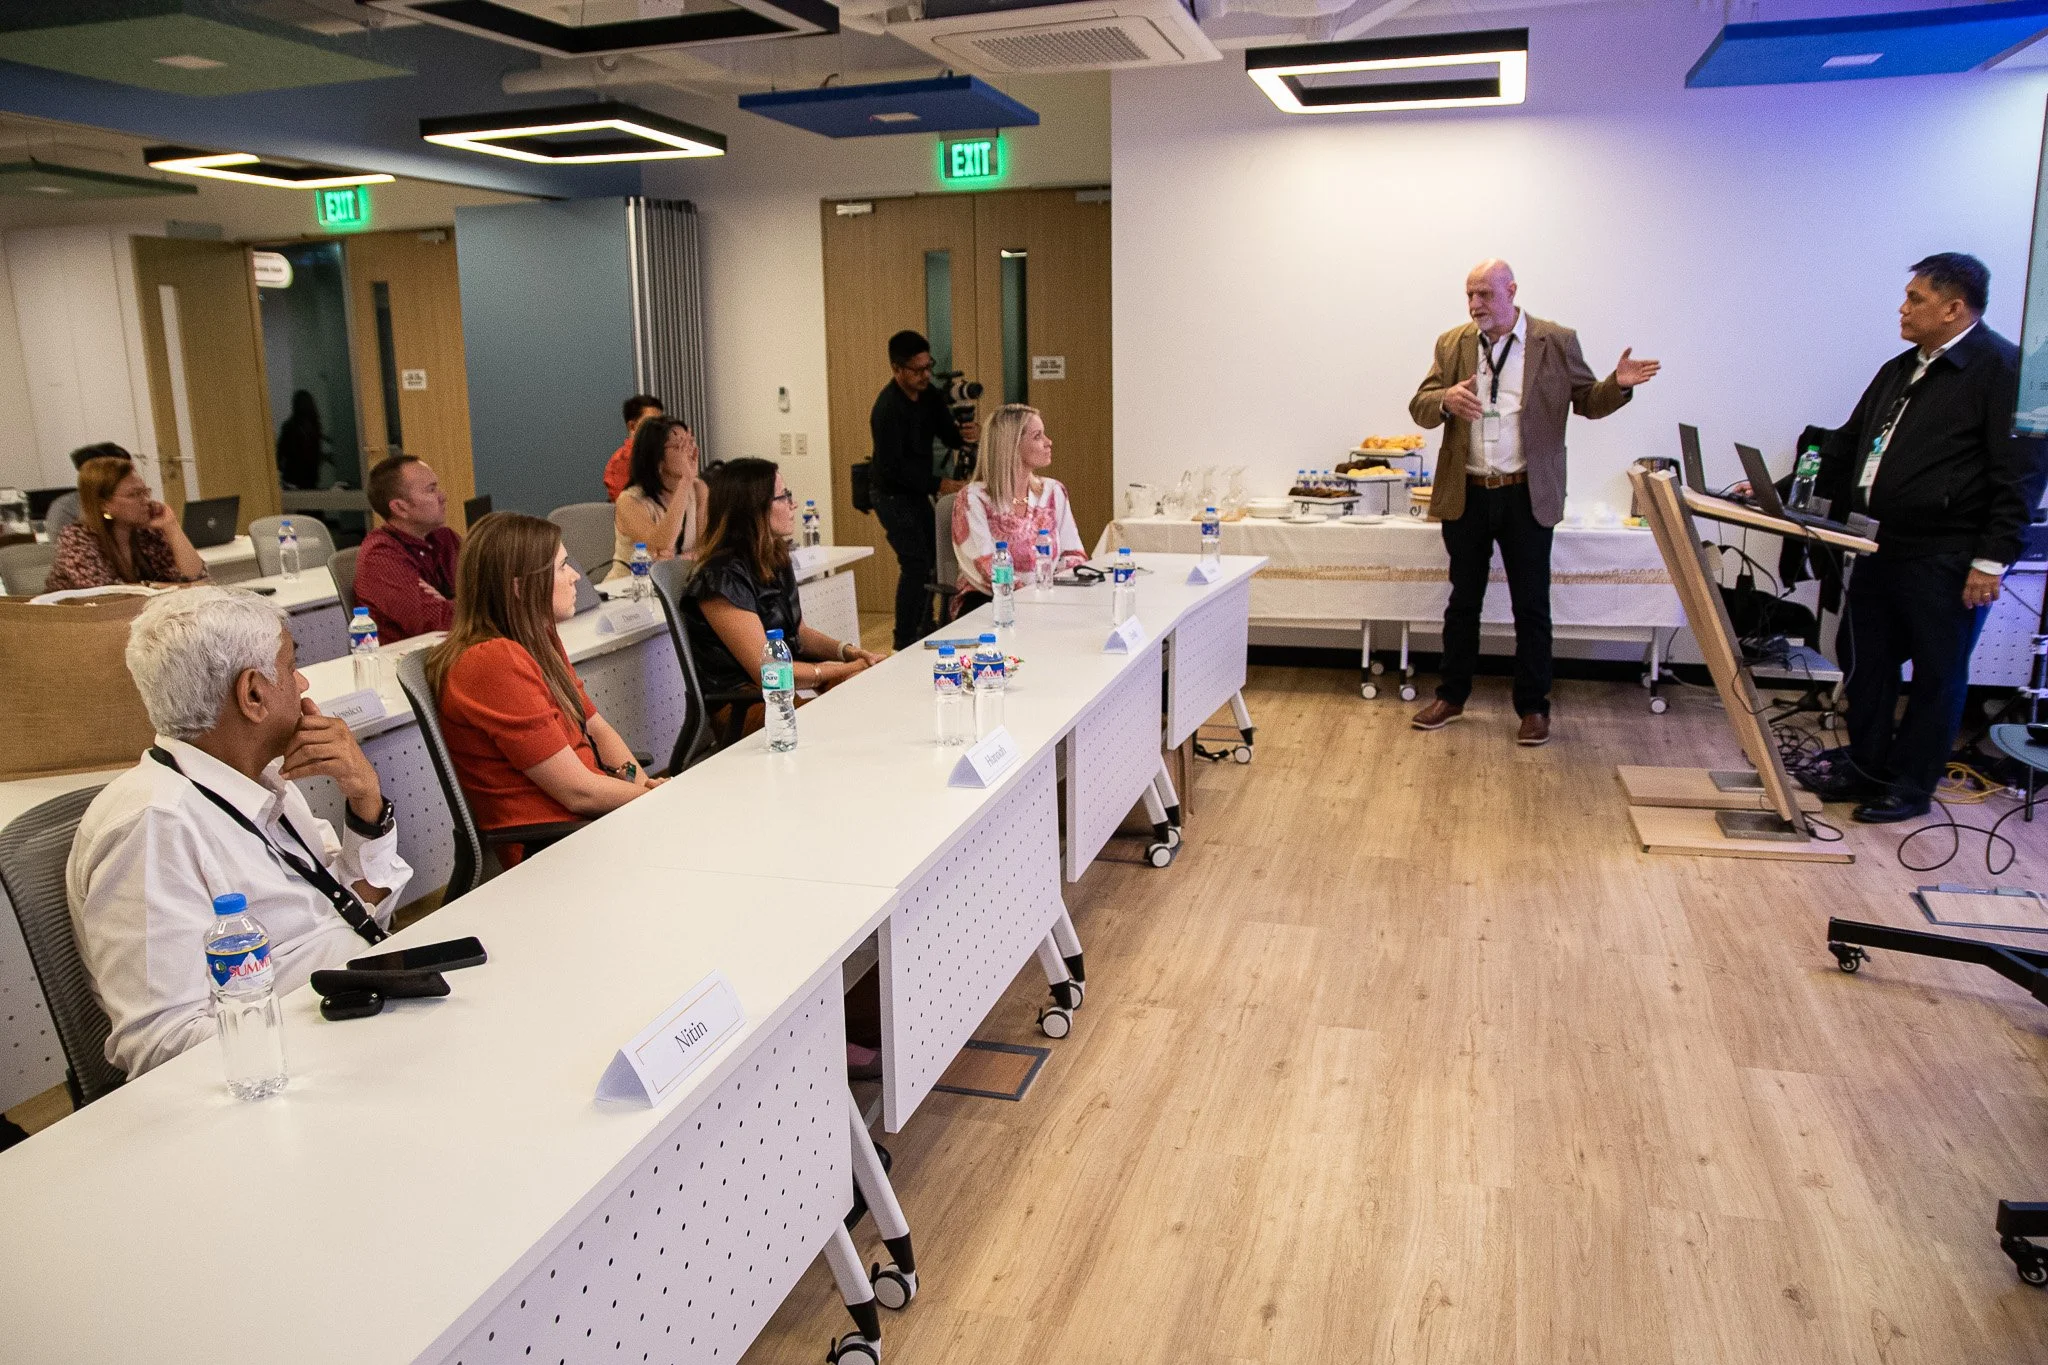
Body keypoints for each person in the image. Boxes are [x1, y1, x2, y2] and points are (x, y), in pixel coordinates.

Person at [67, 587, 410, 1078]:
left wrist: (366, 800)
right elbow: (161, 1045)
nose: (304, 682)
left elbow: (358, 905)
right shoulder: (154, 826)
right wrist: (329, 1035)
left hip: (358, 1013)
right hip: (308, 1063)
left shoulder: (265, 778)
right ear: (252, 694)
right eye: (291, 667)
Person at [1804, 254, 2048, 822]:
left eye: (1915, 298)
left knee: (1938, 674)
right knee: (1865, 661)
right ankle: (1866, 766)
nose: (1903, 307)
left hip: (1949, 553)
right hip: (1877, 545)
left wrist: (1992, 560)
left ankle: (1909, 787)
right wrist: (1775, 486)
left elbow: (2023, 474)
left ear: (1953, 307)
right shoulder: (1902, 367)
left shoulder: (2005, 371)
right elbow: (1846, 446)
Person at [1407, 259, 1661, 746]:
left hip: (1528, 494)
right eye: (1469, 295)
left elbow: (1587, 401)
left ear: (1511, 291)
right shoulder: (1452, 343)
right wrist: (1444, 401)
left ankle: (1533, 707)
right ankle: (1452, 696)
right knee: (1463, 603)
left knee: (1532, 606)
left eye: (1484, 294)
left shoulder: (1556, 340)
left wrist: (1620, 384)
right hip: (1468, 493)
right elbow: (1420, 404)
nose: (1475, 304)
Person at [428, 514, 661, 866]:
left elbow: (595, 726)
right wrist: (653, 800)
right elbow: (577, 792)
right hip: (552, 847)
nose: (576, 577)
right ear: (520, 587)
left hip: (588, 824)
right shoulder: (491, 662)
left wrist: (643, 786)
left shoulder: (536, 637)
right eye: (562, 567)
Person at [684, 457, 883, 704]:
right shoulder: (719, 579)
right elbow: (768, 673)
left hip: (785, 689)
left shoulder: (775, 557)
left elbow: (800, 634)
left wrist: (850, 652)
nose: (794, 504)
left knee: (870, 689)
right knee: (848, 705)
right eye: (783, 496)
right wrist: (844, 668)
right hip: (747, 700)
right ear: (755, 507)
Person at [869, 330, 979, 649]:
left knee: (933, 559)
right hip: (890, 493)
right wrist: (940, 484)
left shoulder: (929, 395)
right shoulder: (887, 409)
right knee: (915, 562)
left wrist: (965, 435)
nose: (925, 375)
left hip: (917, 492)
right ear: (896, 369)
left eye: (928, 366)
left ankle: (926, 626)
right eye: (917, 370)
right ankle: (904, 639)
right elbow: (893, 468)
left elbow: (948, 433)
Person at [950, 403, 1087, 614]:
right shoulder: (973, 498)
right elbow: (985, 565)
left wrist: (1058, 596)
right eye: (1037, 436)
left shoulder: (1053, 491)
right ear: (1011, 445)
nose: (1049, 442)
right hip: (990, 602)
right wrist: (1032, 599)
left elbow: (1073, 554)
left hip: (1045, 600)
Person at [45, 454, 208, 592]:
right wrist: (176, 588)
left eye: (145, 492)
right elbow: (111, 596)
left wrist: (171, 526)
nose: (145, 500)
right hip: (73, 625)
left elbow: (198, 578)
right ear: (104, 504)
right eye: (134, 494)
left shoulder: (146, 531)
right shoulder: (76, 539)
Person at [353, 454, 460, 642]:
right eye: (431, 490)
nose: (443, 497)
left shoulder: (444, 538)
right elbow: (437, 621)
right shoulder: (380, 557)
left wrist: (449, 603)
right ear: (400, 508)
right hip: (410, 663)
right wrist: (468, 604)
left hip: (451, 648)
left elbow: (494, 591)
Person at [605, 416, 707, 581]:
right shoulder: (629, 500)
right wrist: (685, 481)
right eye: (679, 446)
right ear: (657, 457)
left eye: (690, 443)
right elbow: (660, 544)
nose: (689, 451)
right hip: (629, 589)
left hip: (678, 583)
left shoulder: (699, 489)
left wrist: (682, 560)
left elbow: (707, 547)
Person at [43, 441, 129, 541]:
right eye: (124, 471)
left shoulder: (131, 500)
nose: (132, 475)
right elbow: (70, 548)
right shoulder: (65, 508)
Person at [603, 394, 665, 502]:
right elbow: (626, 505)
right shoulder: (622, 461)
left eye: (661, 423)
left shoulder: (661, 453)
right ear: (632, 427)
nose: (659, 429)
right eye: (651, 423)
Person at [276, 389, 326, 490]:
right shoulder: (315, 428)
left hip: (293, 480)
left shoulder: (289, 427)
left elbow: (280, 455)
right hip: (309, 480)